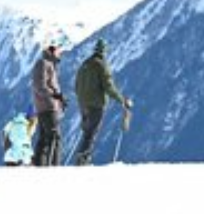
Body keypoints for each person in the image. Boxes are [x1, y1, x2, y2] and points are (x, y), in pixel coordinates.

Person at [74, 38, 132, 166]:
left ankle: (81, 158)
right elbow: (109, 87)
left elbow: (77, 85)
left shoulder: (84, 64)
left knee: (87, 132)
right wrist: (122, 99)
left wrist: (81, 100)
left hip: (83, 104)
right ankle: (83, 160)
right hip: (96, 105)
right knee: (91, 133)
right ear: (104, 51)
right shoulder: (101, 66)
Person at [31, 43, 68, 166]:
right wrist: (54, 95)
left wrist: (60, 100)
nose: (59, 56)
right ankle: (53, 166)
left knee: (45, 139)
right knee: (54, 137)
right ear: (51, 52)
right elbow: (39, 85)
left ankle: (41, 165)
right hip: (47, 107)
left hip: (47, 106)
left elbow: (48, 86)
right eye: (58, 53)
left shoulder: (48, 65)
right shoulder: (43, 64)